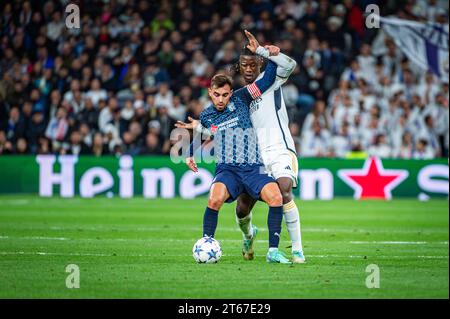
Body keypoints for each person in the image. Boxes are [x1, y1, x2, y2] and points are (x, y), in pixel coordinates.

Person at [177, 30, 305, 263]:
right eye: (217, 95)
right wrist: (190, 151)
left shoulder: (245, 95)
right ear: (210, 93)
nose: (221, 99)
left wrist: (268, 53)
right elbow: (208, 131)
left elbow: (274, 75)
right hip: (232, 166)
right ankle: (226, 238)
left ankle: (281, 250)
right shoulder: (213, 111)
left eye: (225, 95)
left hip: (260, 161)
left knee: (280, 194)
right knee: (233, 207)